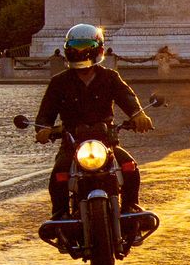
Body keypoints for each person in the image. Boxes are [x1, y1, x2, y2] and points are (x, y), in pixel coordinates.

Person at [34, 24, 154, 224]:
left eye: (85, 47)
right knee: (59, 173)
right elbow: (45, 113)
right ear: (67, 50)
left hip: (105, 140)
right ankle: (60, 214)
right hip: (72, 141)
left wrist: (138, 115)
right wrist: (43, 129)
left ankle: (131, 205)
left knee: (130, 167)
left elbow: (127, 97)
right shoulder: (59, 82)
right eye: (75, 47)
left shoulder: (110, 77)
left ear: (97, 48)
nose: (80, 52)